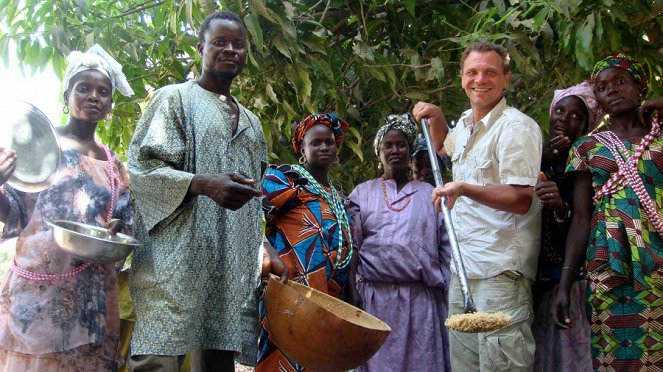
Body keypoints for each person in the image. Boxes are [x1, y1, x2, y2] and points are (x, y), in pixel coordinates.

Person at [126, 10, 286, 372]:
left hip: (227, 267)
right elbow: (142, 170)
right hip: (175, 262)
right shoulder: (173, 99)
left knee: (216, 359)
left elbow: (253, 197)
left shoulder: (252, 123)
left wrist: (262, 245)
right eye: (219, 42)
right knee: (159, 355)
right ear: (200, 48)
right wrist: (201, 183)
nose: (230, 50)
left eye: (238, 45)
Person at [0, 44, 135, 370]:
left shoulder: (113, 164)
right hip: (39, 293)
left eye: (103, 92)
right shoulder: (41, 148)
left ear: (110, 105)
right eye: (83, 88)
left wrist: (114, 229)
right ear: (66, 96)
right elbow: (15, 211)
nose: (94, 97)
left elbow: (125, 223)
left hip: (93, 298)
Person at [413, 41, 543, 371]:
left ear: (506, 79)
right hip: (464, 271)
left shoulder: (517, 128)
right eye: (472, 72)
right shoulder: (467, 123)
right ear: (461, 79)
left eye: (490, 72)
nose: (480, 79)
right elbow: (444, 147)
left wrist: (466, 188)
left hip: (500, 275)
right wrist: (439, 117)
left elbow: (520, 198)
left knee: (502, 366)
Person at [553, 53, 663, 371]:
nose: (612, 90)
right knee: (614, 358)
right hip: (607, 264)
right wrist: (565, 284)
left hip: (657, 262)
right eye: (602, 87)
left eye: (620, 81)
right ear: (598, 99)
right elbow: (582, 218)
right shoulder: (587, 147)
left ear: (640, 87)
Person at [348, 113, 451, 372]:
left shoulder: (432, 194)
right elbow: (351, 247)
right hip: (374, 302)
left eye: (401, 144)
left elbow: (447, 251)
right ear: (378, 153)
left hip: (421, 304)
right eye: (388, 145)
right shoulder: (362, 193)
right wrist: (351, 291)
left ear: (409, 151)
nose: (395, 150)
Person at [256, 113, 357, 371]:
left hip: (330, 302)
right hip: (289, 296)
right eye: (316, 142)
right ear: (302, 149)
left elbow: (349, 247)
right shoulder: (286, 178)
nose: (324, 147)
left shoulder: (339, 197)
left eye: (329, 142)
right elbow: (251, 217)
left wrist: (352, 290)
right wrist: (268, 256)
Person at [531, 82, 602, 371]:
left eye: (575, 116)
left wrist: (560, 208)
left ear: (586, 126)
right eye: (559, 111)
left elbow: (580, 227)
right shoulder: (533, 156)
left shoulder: (588, 168)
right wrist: (541, 160)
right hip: (530, 280)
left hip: (568, 282)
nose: (564, 118)